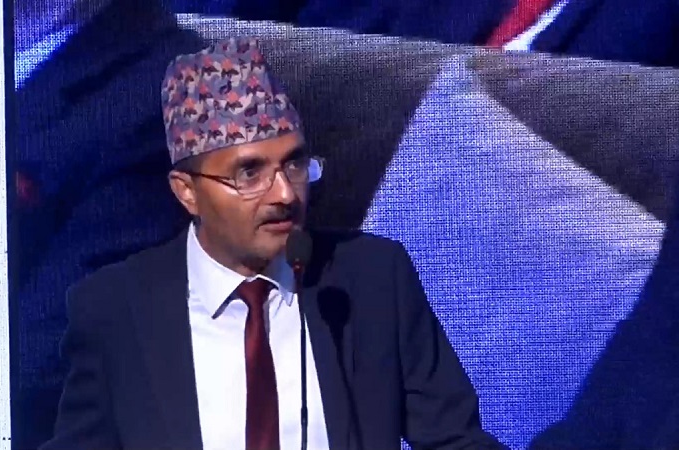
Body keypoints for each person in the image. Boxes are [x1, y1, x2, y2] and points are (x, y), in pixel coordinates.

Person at [41, 36, 504, 450]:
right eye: (250, 173)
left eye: (295, 165)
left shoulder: (372, 280)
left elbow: (455, 440)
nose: (285, 194)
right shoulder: (116, 311)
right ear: (187, 192)